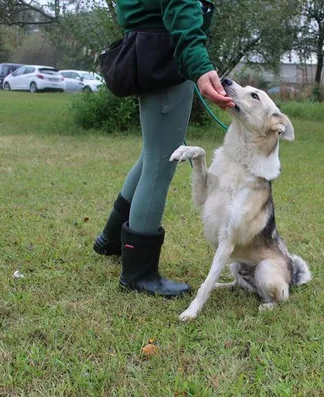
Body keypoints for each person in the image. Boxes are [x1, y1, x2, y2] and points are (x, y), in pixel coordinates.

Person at [93, 0, 234, 297]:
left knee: (151, 156)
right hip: (166, 53)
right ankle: (138, 273)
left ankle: (112, 240)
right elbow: (180, 6)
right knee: (161, 161)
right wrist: (199, 63)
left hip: (149, 48)